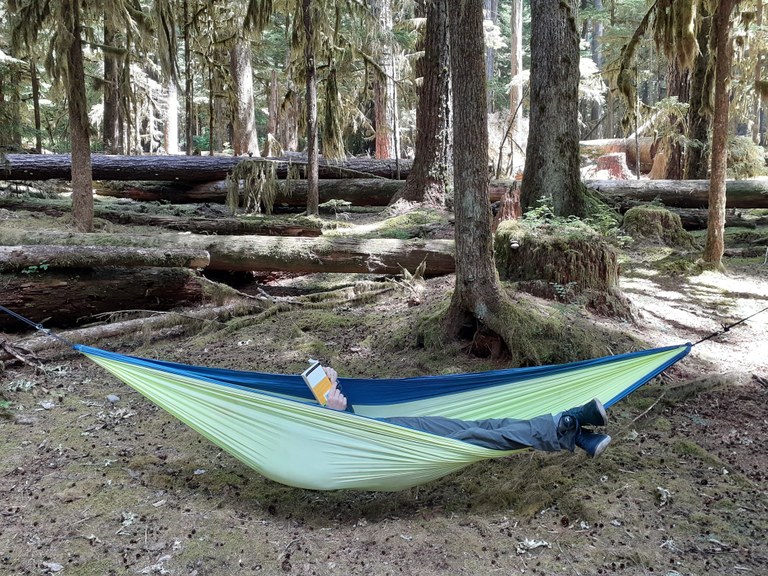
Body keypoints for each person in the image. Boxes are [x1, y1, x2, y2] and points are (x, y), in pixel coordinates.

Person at [322, 367, 612, 458]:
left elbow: (348, 426)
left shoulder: (297, 413)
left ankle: (574, 433)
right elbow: (340, 448)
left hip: (391, 425)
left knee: (485, 423)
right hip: (391, 443)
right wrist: (334, 417)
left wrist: (331, 387)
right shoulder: (295, 439)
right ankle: (567, 425)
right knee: (476, 437)